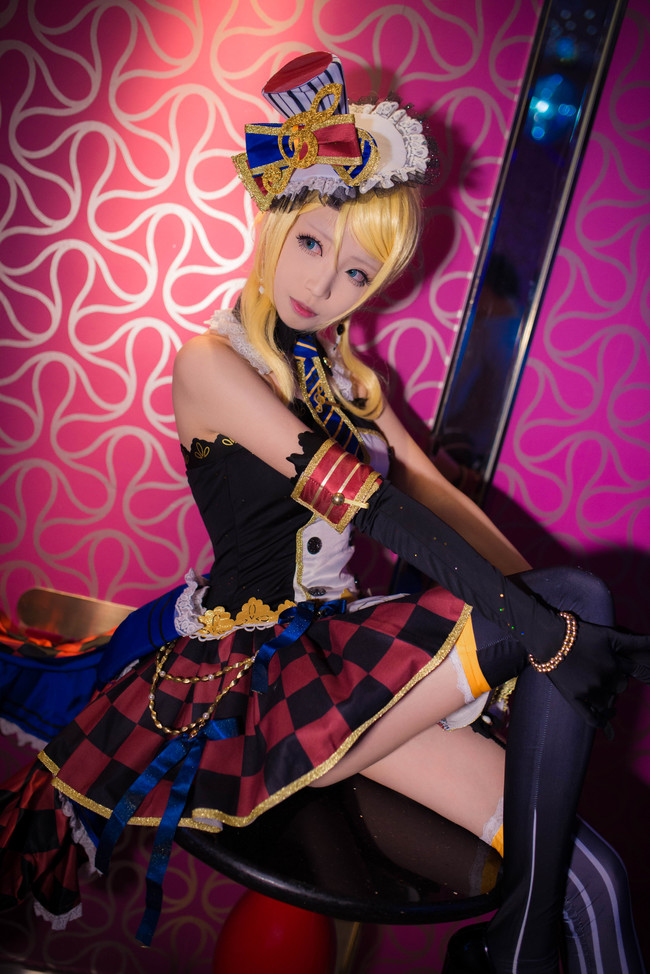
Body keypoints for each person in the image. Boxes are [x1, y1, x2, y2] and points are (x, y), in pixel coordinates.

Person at [0, 51, 648, 974]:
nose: (324, 288)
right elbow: (374, 507)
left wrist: (541, 601)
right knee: (575, 600)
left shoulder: (342, 376)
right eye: (311, 244)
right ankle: (519, 947)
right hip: (263, 675)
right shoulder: (210, 366)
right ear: (274, 220)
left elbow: (441, 502)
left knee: (598, 877)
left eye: (356, 272)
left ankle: (517, 947)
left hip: (347, 660)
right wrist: (545, 625)